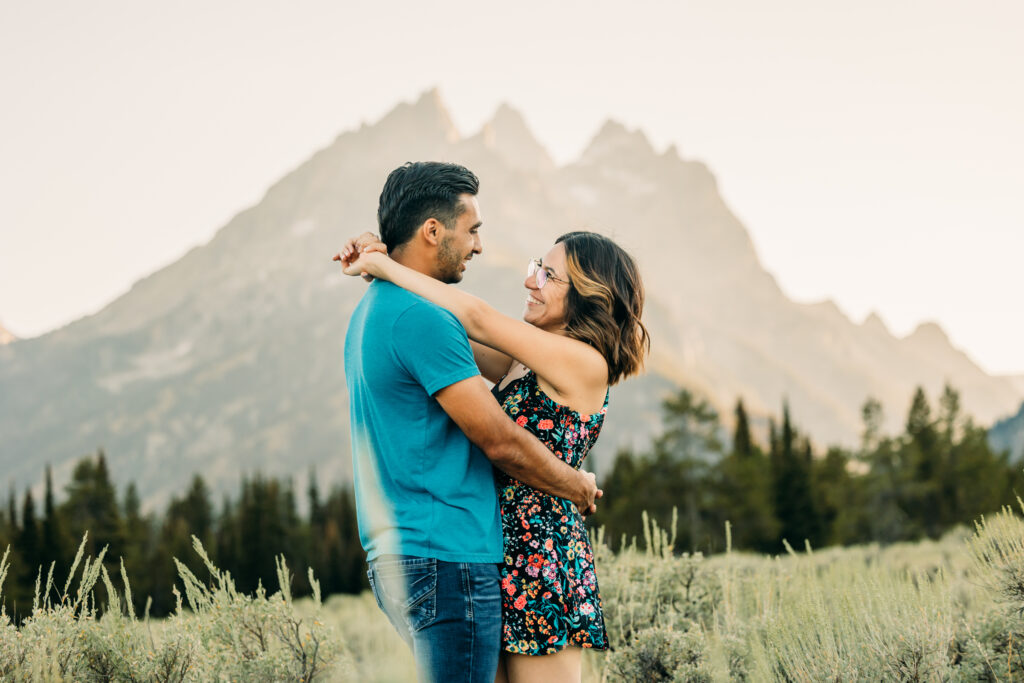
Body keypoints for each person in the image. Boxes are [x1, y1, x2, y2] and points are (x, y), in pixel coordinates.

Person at [339, 216, 649, 681]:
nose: (531, 280)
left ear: (590, 296)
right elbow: (444, 334)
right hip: (493, 552)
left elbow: (476, 317)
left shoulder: (585, 362)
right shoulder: (525, 356)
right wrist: (391, 262)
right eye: (535, 267)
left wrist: (384, 267)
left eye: (548, 275)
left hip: (542, 558)